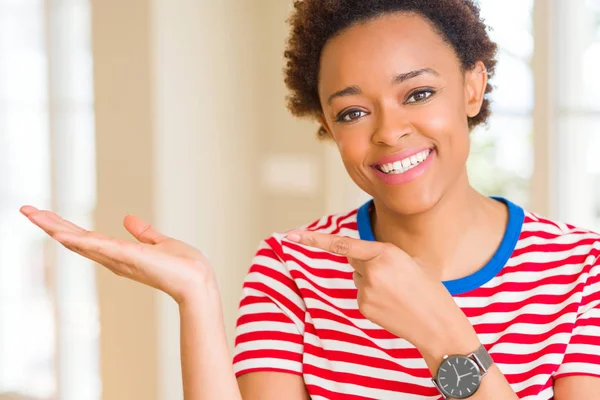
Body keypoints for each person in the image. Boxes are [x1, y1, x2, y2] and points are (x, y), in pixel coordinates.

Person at [20, 0, 600, 399]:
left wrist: (446, 338)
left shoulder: (580, 271)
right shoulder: (291, 270)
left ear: (472, 87)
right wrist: (196, 295)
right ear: (326, 122)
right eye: (353, 111)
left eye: (418, 92)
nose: (389, 131)